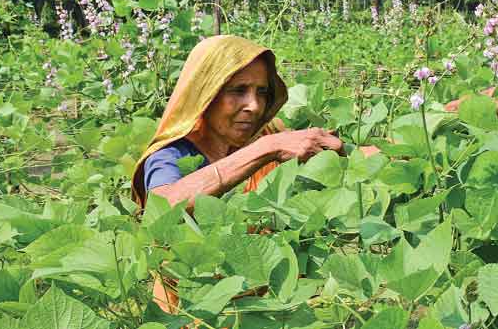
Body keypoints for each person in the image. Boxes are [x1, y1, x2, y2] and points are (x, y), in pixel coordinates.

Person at [130, 35, 344, 313]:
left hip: (268, 306)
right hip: (198, 313)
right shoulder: (172, 155)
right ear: (205, 93)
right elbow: (165, 205)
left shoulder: (267, 134)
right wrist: (267, 149)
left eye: (262, 92)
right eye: (238, 90)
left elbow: (352, 154)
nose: (254, 105)